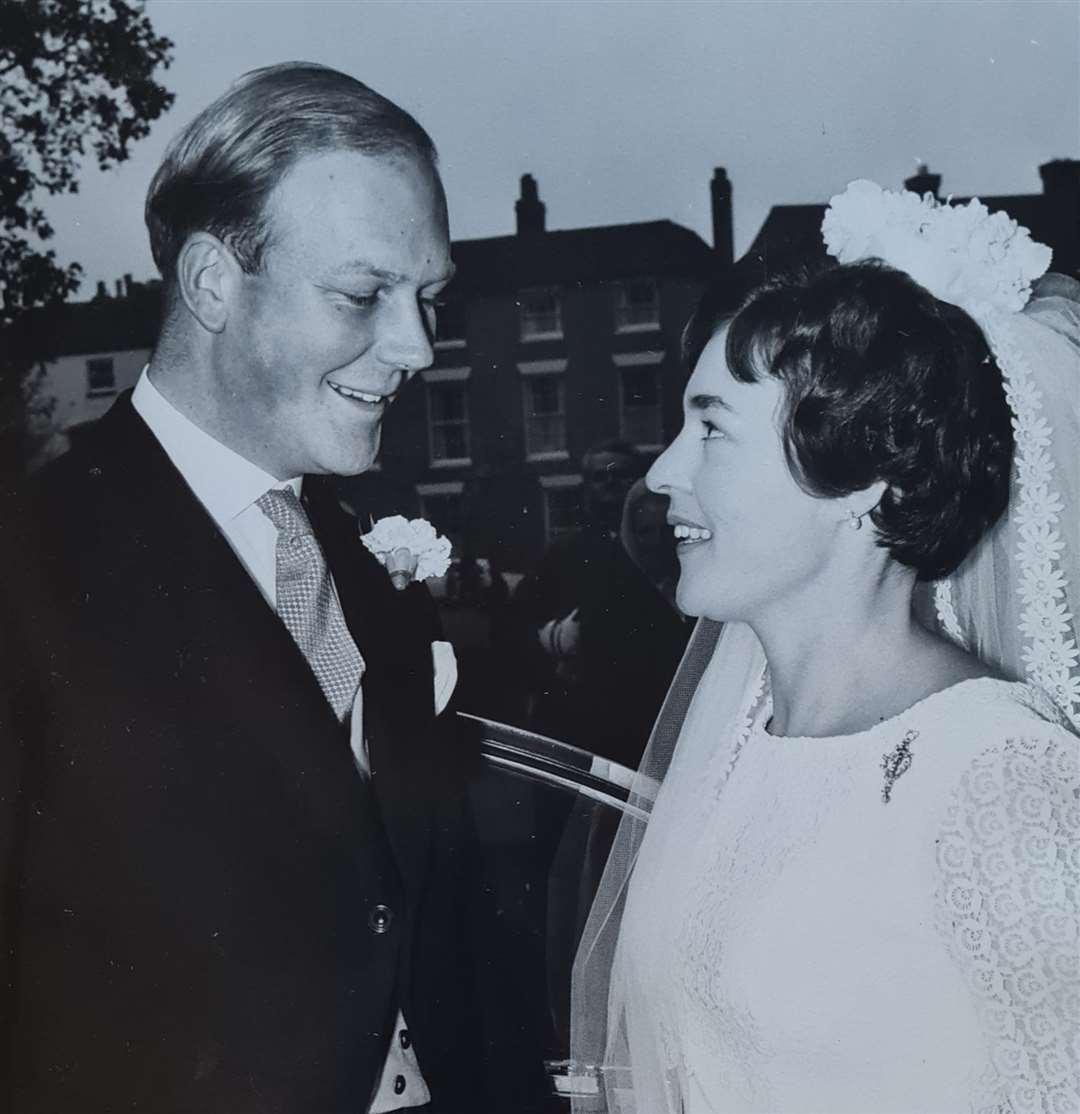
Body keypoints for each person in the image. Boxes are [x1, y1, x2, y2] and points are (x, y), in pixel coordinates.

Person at [0, 63, 483, 1112]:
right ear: (214, 282)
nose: (418, 348)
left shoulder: (367, 584)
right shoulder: (29, 568)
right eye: (364, 294)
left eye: (428, 297)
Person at [570, 182, 1079, 1112]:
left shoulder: (1001, 774)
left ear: (863, 481)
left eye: (712, 428)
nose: (661, 471)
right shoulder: (736, 742)